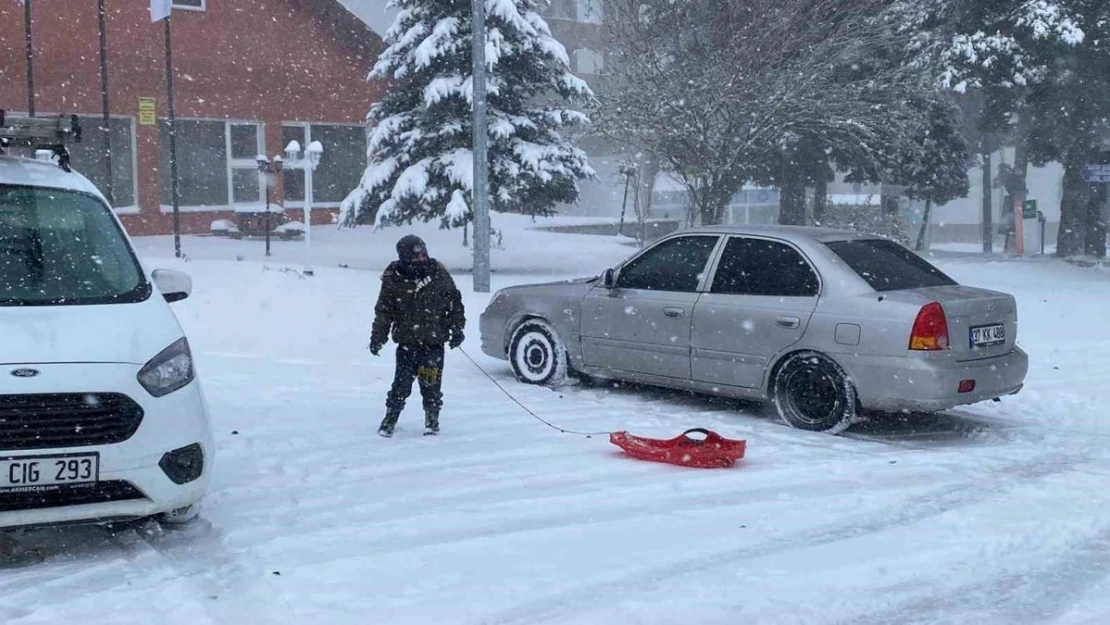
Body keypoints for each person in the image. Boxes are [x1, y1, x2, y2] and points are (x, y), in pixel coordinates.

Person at [369, 235, 465, 437]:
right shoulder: (393, 279)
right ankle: (391, 417)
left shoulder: (438, 274)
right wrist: (378, 337)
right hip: (406, 343)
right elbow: (384, 312)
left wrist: (457, 329)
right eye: (415, 256)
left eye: (423, 254)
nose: (420, 259)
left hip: (433, 342)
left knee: (431, 384)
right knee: (401, 385)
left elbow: (455, 303)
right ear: (404, 257)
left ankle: (432, 418)